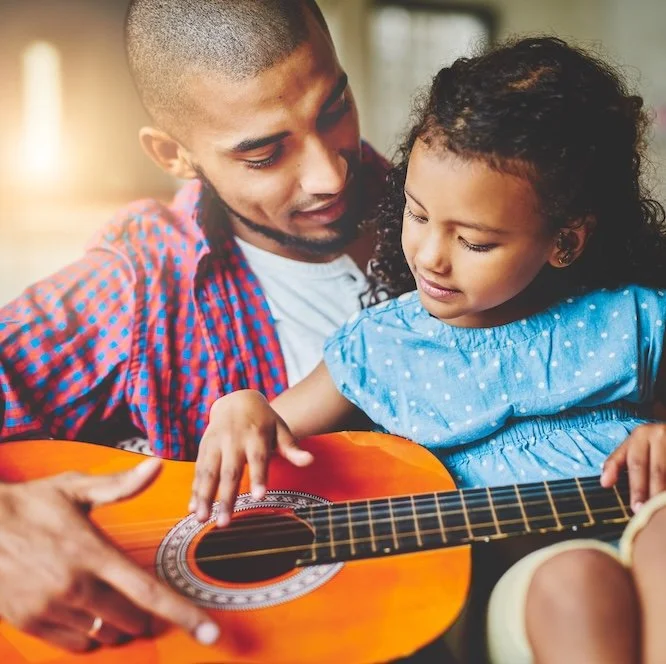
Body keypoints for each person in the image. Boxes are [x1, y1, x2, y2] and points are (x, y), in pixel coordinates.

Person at [192, 37, 666, 663]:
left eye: (474, 241)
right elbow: (272, 425)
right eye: (417, 215)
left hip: (642, 521)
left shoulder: (628, 318)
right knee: (577, 582)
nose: (431, 256)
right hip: (523, 577)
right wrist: (240, 407)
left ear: (565, 242)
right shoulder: (383, 345)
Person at [0, 0, 386, 653]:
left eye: (334, 110)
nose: (329, 173)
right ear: (174, 155)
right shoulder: (138, 285)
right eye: (264, 153)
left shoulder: (456, 197)